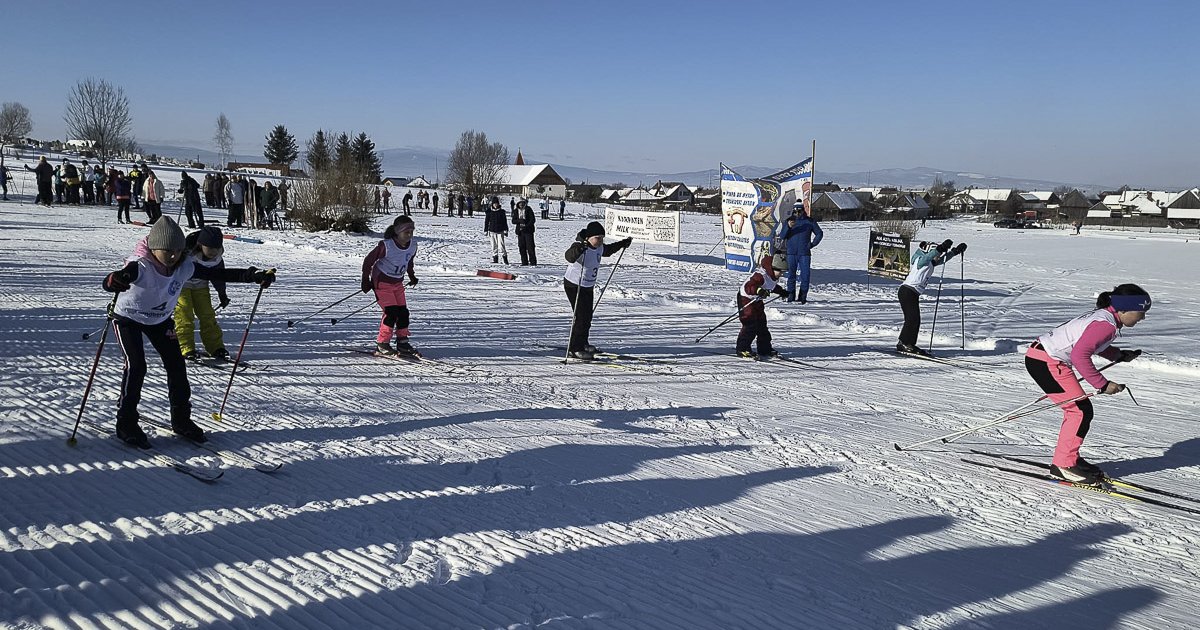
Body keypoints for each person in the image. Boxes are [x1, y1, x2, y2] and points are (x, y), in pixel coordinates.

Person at [102, 217, 275, 447]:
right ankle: (126, 422)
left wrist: (254, 275)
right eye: (167, 251)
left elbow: (218, 274)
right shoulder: (140, 265)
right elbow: (112, 279)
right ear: (154, 249)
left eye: (178, 250)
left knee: (176, 365)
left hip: (160, 320)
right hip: (128, 318)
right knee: (136, 366)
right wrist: (113, 281)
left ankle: (181, 420)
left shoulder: (184, 266)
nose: (173, 256)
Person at [1024, 284, 1150, 485]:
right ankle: (1064, 465)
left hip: (1043, 357)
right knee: (1079, 411)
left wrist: (1118, 354)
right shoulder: (1106, 324)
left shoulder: (1106, 317)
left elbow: (1092, 344)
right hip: (1048, 361)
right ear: (1124, 309)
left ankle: (1069, 459)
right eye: (1141, 312)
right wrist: (1103, 384)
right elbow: (1080, 355)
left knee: (1080, 410)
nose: (1142, 317)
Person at [563, 221, 633, 360]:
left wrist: (622, 243)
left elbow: (609, 250)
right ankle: (574, 348)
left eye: (602, 238)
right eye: (597, 238)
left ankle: (583, 343)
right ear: (589, 237)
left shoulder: (600, 247)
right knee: (581, 317)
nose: (600, 241)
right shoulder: (580, 246)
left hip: (588, 286)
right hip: (574, 285)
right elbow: (569, 256)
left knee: (587, 316)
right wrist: (580, 248)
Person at [361, 215, 421, 356]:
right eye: (406, 232)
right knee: (391, 312)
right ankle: (383, 343)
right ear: (397, 232)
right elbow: (368, 261)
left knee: (403, 313)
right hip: (381, 281)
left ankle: (402, 342)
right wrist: (365, 279)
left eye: (411, 232)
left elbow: (408, 261)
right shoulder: (387, 246)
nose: (409, 235)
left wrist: (411, 276)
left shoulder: (412, 246)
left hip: (397, 282)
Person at [896, 239, 966, 356]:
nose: (938, 257)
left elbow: (943, 259)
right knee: (912, 318)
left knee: (914, 319)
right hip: (908, 291)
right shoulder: (921, 260)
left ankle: (905, 343)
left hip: (910, 292)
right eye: (937, 254)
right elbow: (929, 256)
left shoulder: (930, 262)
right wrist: (940, 248)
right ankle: (905, 343)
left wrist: (955, 251)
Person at [174, 226, 232, 361]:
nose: (213, 252)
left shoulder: (217, 258)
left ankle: (216, 347)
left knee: (207, 315)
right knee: (184, 314)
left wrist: (222, 294)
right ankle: (185, 347)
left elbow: (218, 276)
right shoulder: (186, 253)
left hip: (201, 286)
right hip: (182, 286)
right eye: (210, 248)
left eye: (216, 248)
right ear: (200, 245)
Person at [735, 254, 791, 359]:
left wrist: (782, 292)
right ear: (773, 268)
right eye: (780, 271)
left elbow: (772, 286)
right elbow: (749, 287)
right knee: (750, 325)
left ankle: (764, 349)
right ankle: (742, 349)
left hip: (757, 301)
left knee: (762, 325)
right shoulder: (760, 275)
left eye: (783, 272)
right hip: (746, 299)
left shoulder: (772, 276)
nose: (781, 274)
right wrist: (758, 290)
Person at [778, 206, 823, 303]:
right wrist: (788, 227)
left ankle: (802, 297)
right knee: (791, 276)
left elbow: (819, 233)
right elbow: (782, 236)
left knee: (805, 276)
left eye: (799, 211)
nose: (797, 213)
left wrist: (812, 244)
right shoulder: (789, 221)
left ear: (803, 211)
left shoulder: (810, 221)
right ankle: (790, 297)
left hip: (804, 253)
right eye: (795, 211)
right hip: (791, 253)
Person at [512, 197, 538, 265]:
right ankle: (524, 262)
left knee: (530, 247)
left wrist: (526, 225)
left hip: (528, 231)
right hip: (520, 231)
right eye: (520, 203)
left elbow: (532, 220)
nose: (521, 204)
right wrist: (520, 221)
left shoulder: (528, 209)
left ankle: (533, 262)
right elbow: (513, 221)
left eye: (522, 203)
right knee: (521, 247)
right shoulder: (515, 211)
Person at [484, 197, 510, 264]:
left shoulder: (501, 212)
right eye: (494, 204)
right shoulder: (489, 212)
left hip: (500, 230)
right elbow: (486, 221)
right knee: (493, 245)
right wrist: (486, 230)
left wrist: (506, 229)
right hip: (492, 230)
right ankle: (495, 258)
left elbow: (504, 221)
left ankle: (505, 257)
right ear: (492, 204)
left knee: (501, 245)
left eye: (496, 204)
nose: (495, 205)